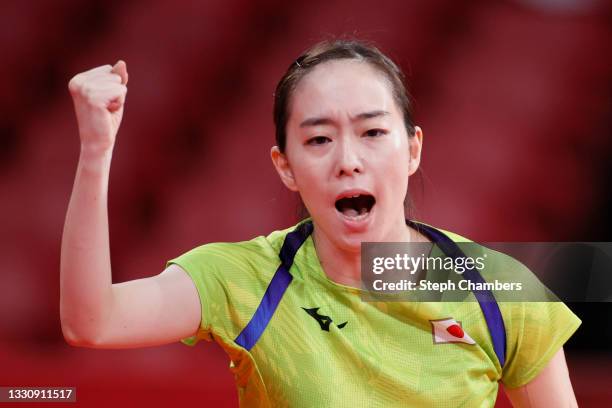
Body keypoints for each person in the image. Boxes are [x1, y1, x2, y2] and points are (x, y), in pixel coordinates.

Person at [60, 39, 581, 407]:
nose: (348, 159)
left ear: (413, 149)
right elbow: (92, 322)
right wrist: (95, 151)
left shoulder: (499, 288)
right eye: (318, 139)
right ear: (285, 167)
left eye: (373, 132)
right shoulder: (246, 279)